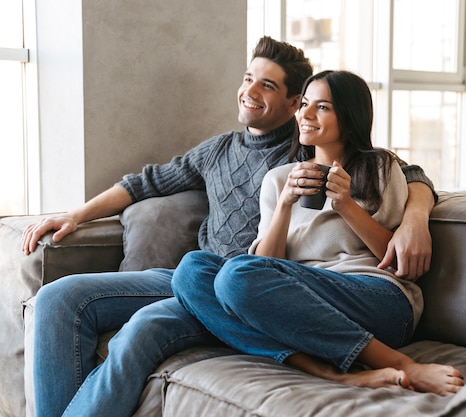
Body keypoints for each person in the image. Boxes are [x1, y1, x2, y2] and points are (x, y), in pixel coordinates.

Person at [22, 37, 437, 417]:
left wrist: (416, 215)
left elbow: (408, 171)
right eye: (248, 79)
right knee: (56, 298)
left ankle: (355, 367)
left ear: (293, 103)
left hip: (264, 282)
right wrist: (76, 214)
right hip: (212, 277)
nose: (251, 93)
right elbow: (146, 182)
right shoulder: (232, 155)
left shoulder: (343, 158)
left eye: (268, 87)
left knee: (150, 324)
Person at [172, 70, 464, 395]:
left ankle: (403, 364)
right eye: (305, 104)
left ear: (349, 116)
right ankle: (333, 374)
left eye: (322, 107)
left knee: (235, 275)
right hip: (304, 306)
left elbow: (395, 262)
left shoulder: (379, 168)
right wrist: (284, 203)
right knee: (192, 270)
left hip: (378, 299)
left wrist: (346, 206)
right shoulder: (278, 179)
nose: (306, 115)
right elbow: (260, 268)